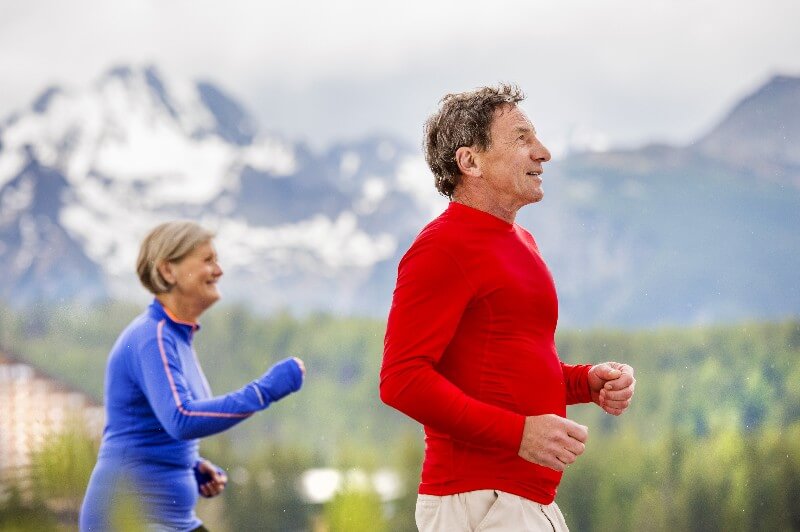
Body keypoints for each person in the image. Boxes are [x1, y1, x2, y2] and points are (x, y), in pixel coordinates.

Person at [379, 84, 636, 532]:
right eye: (521, 138)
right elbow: (400, 380)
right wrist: (518, 435)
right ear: (470, 162)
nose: (544, 152)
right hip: (479, 503)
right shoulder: (441, 247)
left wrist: (583, 382)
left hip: (522, 503)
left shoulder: (522, 242)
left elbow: (502, 364)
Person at [80, 221, 305, 531]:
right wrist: (264, 391)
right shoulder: (153, 336)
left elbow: (151, 430)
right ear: (168, 271)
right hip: (129, 517)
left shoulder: (175, 337)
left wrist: (190, 466)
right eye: (208, 260)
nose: (219, 270)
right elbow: (181, 417)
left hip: (174, 520)